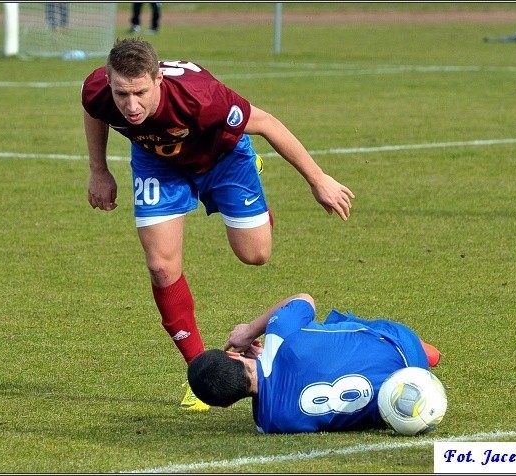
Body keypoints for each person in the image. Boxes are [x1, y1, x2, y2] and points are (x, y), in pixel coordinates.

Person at [81, 39, 355, 411]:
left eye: (140, 93)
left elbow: (268, 123)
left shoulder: (203, 98)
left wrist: (317, 179)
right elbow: (95, 110)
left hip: (224, 157)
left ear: (158, 78)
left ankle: (250, 177)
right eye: (121, 93)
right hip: (158, 164)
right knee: (161, 267)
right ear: (110, 82)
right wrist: (99, 170)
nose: (131, 105)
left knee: (255, 255)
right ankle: (198, 372)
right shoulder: (99, 90)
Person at [187, 293, 441, 433]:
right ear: (233, 355)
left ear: (228, 403)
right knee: (328, 330)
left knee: (318, 354)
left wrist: (264, 358)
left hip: (396, 407)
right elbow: (303, 298)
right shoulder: (279, 335)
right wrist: (250, 331)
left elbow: (281, 381)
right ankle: (425, 351)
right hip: (403, 349)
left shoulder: (269, 423)